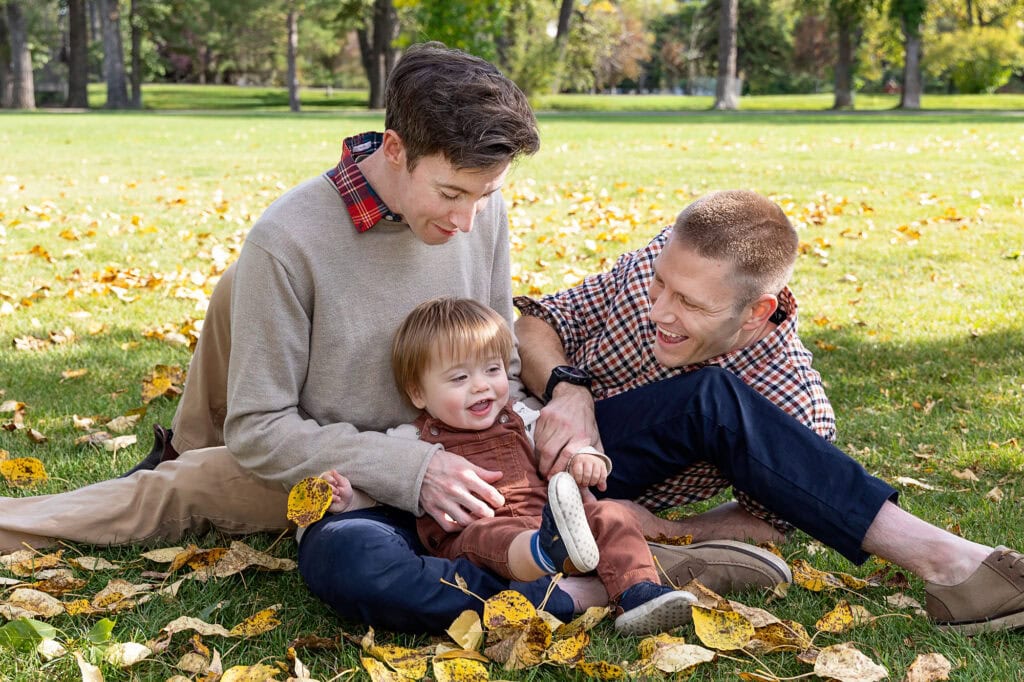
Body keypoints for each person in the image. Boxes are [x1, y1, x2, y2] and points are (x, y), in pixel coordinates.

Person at [0, 43, 785, 634]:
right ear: (395, 149)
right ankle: (595, 583)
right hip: (347, 473)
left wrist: (536, 421)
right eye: (451, 193)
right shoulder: (289, 240)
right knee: (200, 505)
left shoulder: (482, 211)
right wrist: (409, 467)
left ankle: (596, 565)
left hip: (480, 472)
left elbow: (498, 359)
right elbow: (261, 432)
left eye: (488, 196)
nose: (468, 220)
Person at [514, 189, 1024, 634]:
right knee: (708, 397)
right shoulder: (663, 265)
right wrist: (568, 392)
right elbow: (537, 324)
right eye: (660, 285)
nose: (659, 311)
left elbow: (765, 524)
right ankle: (949, 561)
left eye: (690, 304)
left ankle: (952, 566)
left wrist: (668, 527)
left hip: (585, 494)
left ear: (758, 310)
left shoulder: (794, 404)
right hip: (508, 441)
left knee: (710, 399)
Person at [322, 297, 698, 635]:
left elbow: (563, 452)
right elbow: (385, 490)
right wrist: (350, 499)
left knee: (611, 514)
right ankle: (548, 555)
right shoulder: (410, 440)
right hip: (474, 536)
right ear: (418, 393)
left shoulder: (521, 417)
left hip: (546, 519)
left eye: (492, 369)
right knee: (490, 537)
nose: (481, 386)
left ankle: (639, 593)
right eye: (459, 378)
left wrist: (585, 458)